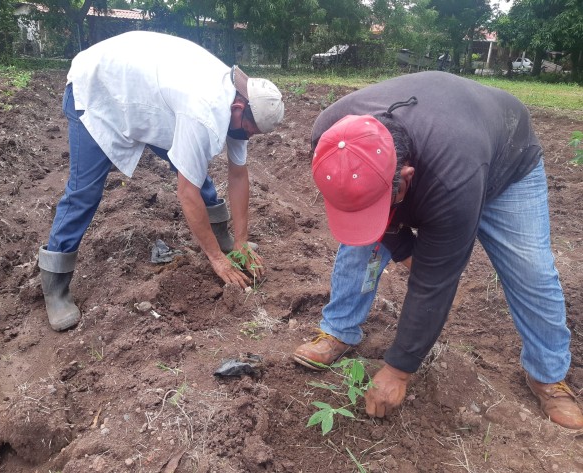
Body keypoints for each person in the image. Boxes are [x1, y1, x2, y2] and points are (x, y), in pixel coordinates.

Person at [293, 71, 583, 430]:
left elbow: (435, 279)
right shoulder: (331, 135)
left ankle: (547, 374)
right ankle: (339, 329)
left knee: (531, 271)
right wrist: (399, 246)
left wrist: (399, 369)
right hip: (441, 139)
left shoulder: (453, 178)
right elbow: (376, 217)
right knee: (359, 245)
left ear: (408, 178)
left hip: (504, 160)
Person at [38, 31, 284, 332]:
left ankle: (224, 238)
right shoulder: (204, 113)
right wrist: (217, 260)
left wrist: (242, 243)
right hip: (99, 89)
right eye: (249, 131)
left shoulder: (241, 105)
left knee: (195, 169)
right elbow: (186, 192)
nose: (248, 137)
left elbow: (238, 174)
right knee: (83, 192)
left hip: (149, 96)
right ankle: (55, 286)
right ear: (238, 109)